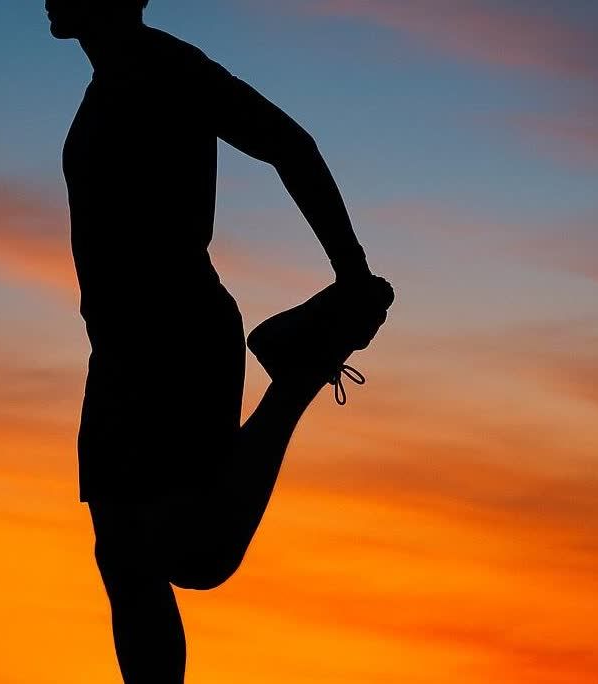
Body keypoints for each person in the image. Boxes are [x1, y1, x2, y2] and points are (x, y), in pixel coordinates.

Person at [50, 1, 395, 681]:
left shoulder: (167, 66)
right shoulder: (107, 85)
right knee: (125, 560)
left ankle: (300, 374)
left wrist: (351, 271)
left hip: (177, 334)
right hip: (116, 349)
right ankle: (302, 365)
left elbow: (289, 143)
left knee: (192, 556)